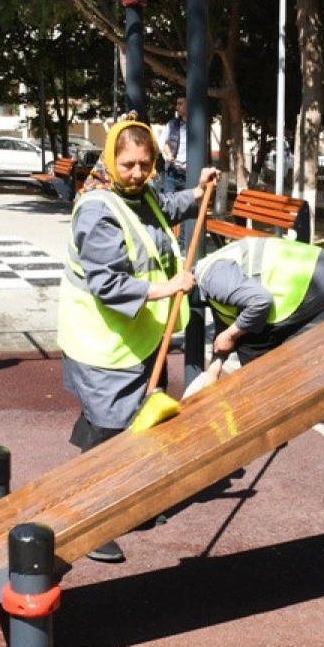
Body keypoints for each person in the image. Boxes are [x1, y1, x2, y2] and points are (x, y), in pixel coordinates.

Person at [57, 114, 221, 562]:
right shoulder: (98, 211)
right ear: (111, 160)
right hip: (103, 342)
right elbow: (107, 284)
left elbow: (164, 207)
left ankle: (123, 500)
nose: (136, 173)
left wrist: (197, 192)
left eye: (144, 164)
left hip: (139, 337)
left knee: (134, 419)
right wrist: (169, 288)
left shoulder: (141, 193)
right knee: (110, 427)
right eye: (128, 164)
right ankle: (89, 520)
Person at [193, 236, 324, 370]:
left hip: (315, 279)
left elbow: (260, 302)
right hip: (320, 266)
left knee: (250, 342)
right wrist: (214, 368)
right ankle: (276, 384)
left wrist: (230, 335)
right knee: (244, 331)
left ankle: (266, 391)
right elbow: (227, 325)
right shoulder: (208, 277)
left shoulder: (211, 279)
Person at [161, 97, 188, 193]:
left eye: (180, 104)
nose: (177, 107)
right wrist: (169, 155)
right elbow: (165, 143)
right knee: (168, 200)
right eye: (177, 104)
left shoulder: (196, 125)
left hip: (189, 174)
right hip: (172, 172)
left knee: (187, 201)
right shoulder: (172, 124)